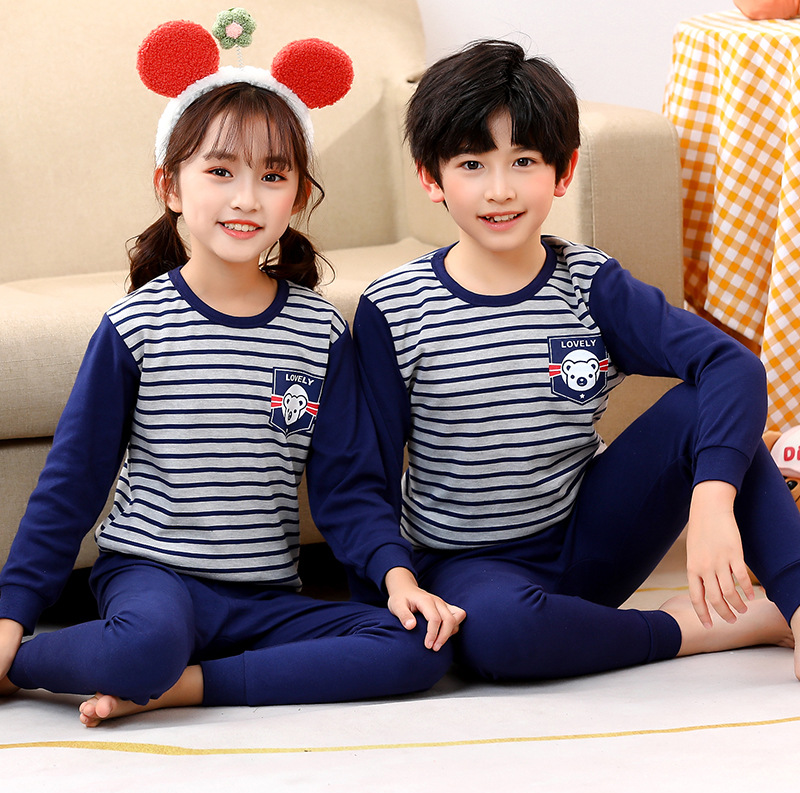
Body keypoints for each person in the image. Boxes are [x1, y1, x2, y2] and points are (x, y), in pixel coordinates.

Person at [0, 17, 463, 727]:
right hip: (153, 581)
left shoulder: (318, 332)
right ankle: (27, 666)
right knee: (143, 646)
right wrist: (10, 620)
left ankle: (184, 685)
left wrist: (399, 579)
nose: (247, 198)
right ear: (171, 186)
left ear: (298, 196)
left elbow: (347, 488)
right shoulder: (137, 326)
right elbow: (73, 483)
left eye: (272, 176)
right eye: (220, 172)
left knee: (419, 649)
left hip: (265, 597)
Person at [351, 39, 800, 685]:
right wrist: (388, 590)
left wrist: (711, 501)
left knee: (714, 404)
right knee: (502, 636)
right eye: (472, 164)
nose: (499, 190)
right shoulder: (394, 307)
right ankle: (697, 627)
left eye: (524, 161)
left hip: (594, 542)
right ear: (431, 177)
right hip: (468, 567)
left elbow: (732, 366)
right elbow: (363, 474)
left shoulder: (590, 283)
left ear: (563, 172)